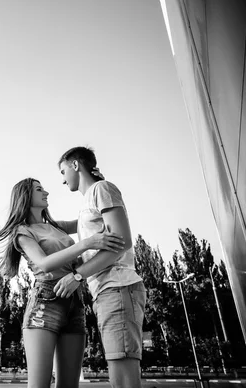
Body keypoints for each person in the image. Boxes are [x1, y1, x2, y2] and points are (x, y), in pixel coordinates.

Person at [0, 177, 125, 388]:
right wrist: (86, 244)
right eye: (39, 189)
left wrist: (94, 183)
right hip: (44, 305)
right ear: (26, 196)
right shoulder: (23, 231)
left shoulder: (56, 226)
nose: (46, 192)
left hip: (75, 301)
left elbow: (91, 217)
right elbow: (44, 263)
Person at [53, 146, 147, 388]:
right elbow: (66, 225)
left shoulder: (101, 189)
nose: (63, 180)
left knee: (123, 377)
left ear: (75, 165)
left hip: (118, 286)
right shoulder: (90, 200)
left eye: (63, 172)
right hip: (108, 291)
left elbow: (122, 241)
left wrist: (77, 276)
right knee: (119, 373)